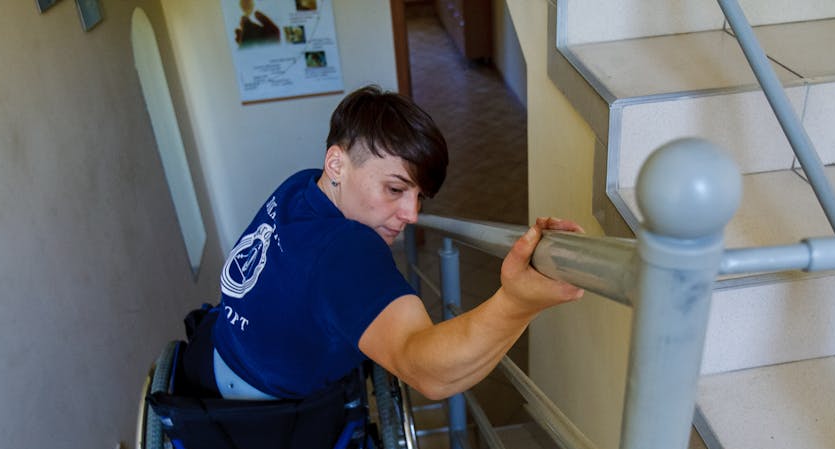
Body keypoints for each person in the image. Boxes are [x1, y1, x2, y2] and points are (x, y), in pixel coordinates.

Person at [191, 85, 584, 402]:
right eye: (395, 188)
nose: (411, 215)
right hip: (261, 393)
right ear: (337, 164)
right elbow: (428, 373)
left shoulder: (301, 186)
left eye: (419, 197)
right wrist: (518, 301)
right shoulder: (347, 250)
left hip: (220, 346)